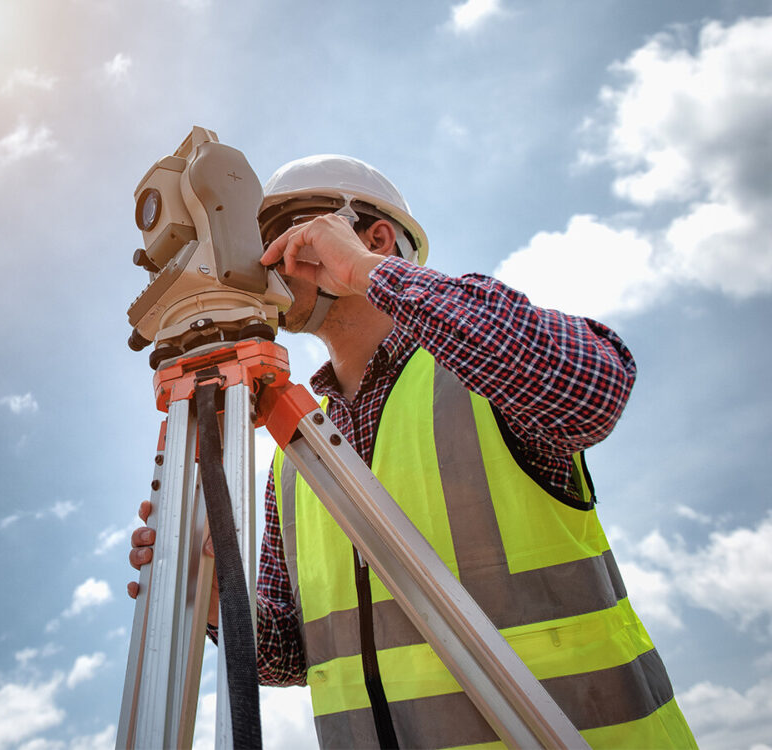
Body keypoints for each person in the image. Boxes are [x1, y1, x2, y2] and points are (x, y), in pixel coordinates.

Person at [128, 155, 697, 748]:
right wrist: (212, 593)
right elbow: (290, 656)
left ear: (374, 236)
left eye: (284, 235)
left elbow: (589, 390)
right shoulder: (295, 453)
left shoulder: (477, 371)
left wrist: (368, 272)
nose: (263, 257)